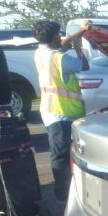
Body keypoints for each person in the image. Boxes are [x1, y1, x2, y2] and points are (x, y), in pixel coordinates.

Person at [32, 19, 91, 202]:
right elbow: (85, 66)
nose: (61, 37)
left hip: (51, 111)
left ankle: (65, 191)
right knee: (61, 155)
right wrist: (79, 47)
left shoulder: (41, 53)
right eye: (58, 34)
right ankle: (63, 194)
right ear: (52, 37)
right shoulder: (60, 58)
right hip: (63, 113)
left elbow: (61, 46)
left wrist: (77, 34)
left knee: (61, 154)